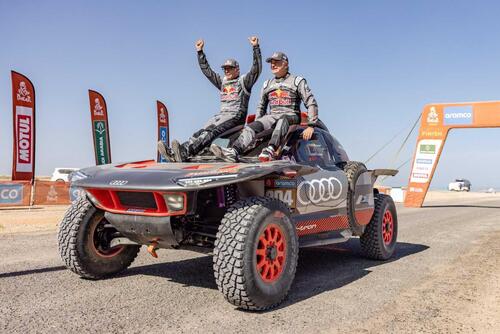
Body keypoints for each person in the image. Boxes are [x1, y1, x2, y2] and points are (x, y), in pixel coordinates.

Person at [158, 36, 262, 162]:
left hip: (236, 116)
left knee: (211, 131)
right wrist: (200, 52)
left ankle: (187, 152)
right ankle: (178, 151)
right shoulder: (223, 82)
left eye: (230, 68)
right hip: (222, 115)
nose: (227, 71)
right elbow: (208, 72)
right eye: (225, 69)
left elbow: (256, 70)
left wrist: (255, 48)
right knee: (202, 130)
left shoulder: (244, 82)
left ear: (237, 70)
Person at [211, 51, 318, 162]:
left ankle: (270, 149)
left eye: (276, 62)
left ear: (285, 64)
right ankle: (234, 151)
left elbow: (310, 102)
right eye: (271, 62)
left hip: (291, 115)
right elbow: (261, 106)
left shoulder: (297, 81)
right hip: (272, 116)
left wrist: (311, 125)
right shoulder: (267, 84)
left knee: (283, 120)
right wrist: (257, 124)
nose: (273, 65)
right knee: (252, 126)